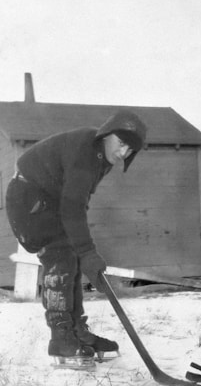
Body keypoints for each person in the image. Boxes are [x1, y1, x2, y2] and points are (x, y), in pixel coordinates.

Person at [6, 109, 147, 369]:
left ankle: (76, 332)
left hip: (47, 200)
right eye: (121, 142)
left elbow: (76, 204)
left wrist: (85, 255)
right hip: (28, 199)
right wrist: (89, 253)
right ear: (106, 134)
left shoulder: (100, 157)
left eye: (130, 149)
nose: (123, 152)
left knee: (71, 255)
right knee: (60, 255)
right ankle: (61, 337)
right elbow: (72, 206)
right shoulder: (86, 151)